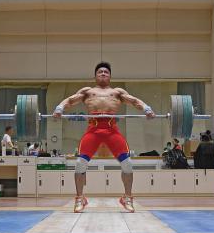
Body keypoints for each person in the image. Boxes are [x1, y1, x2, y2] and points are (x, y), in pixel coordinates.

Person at [53, 61, 155, 213]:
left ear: (110, 76)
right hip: (93, 131)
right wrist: (59, 108)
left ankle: (127, 198)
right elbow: (69, 100)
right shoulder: (88, 91)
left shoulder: (117, 92)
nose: (103, 73)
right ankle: (80, 198)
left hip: (111, 130)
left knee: (127, 164)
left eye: (106, 72)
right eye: (100, 72)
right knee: (80, 164)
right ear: (95, 76)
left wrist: (147, 109)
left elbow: (134, 101)